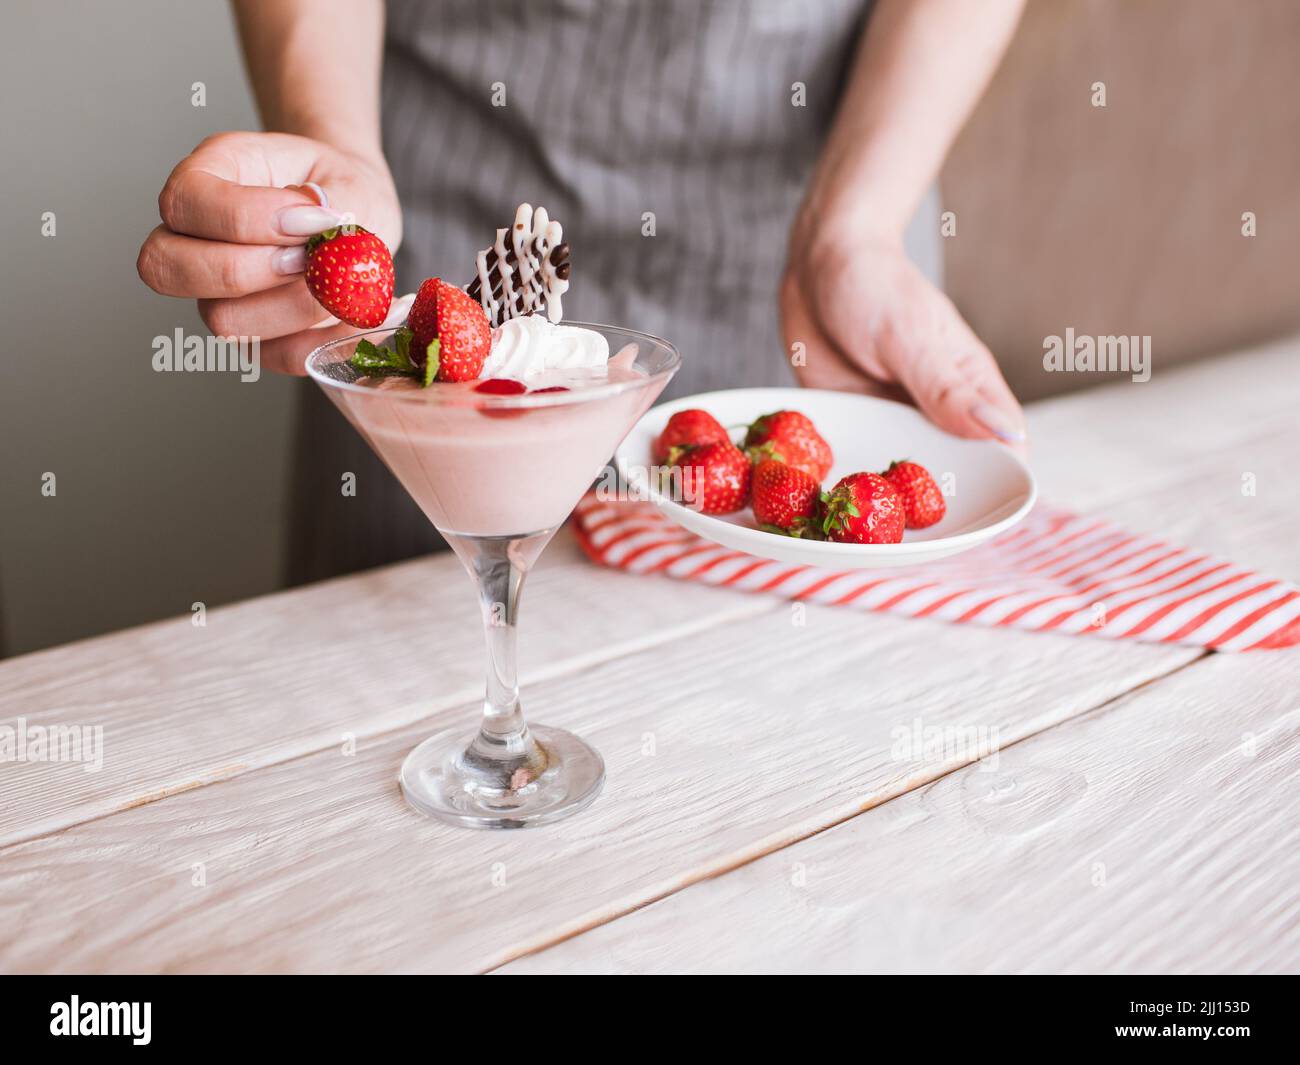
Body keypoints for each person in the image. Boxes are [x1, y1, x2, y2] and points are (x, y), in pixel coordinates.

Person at [138, 0, 1028, 583]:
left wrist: (855, 229)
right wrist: (333, 147)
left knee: (764, 702)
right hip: (441, 216)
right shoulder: (440, 313)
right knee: (396, 654)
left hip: (799, 242)